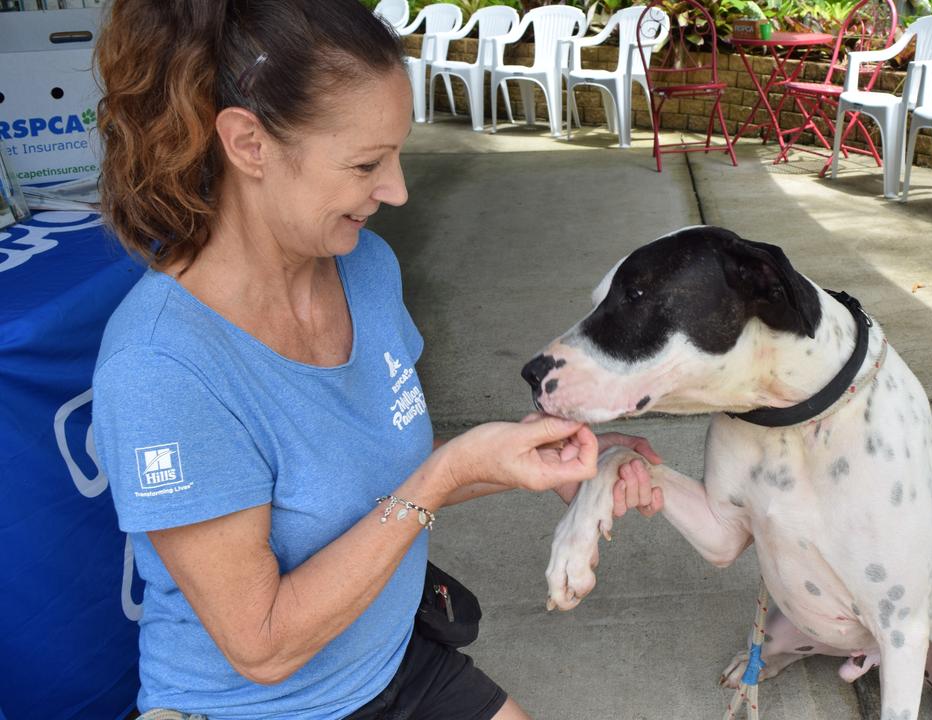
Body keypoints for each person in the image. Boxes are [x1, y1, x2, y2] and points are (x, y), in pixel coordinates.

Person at [90, 1, 662, 719]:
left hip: (393, 659)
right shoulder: (161, 369)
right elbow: (261, 645)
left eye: (396, 154)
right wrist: (441, 476)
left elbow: (381, 469)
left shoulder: (365, 268)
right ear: (248, 144)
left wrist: (524, 455)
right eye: (366, 163)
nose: (396, 190)